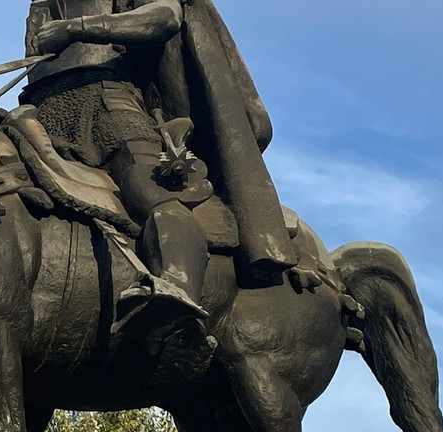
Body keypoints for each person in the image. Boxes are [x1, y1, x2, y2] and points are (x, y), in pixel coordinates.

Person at [24, 0, 298, 327]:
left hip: (108, 97)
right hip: (40, 105)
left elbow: (165, 17)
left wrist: (75, 28)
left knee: (146, 185)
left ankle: (176, 283)